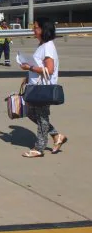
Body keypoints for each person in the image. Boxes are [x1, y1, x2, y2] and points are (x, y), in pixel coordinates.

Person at [19, 18, 68, 158]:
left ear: (43, 30)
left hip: (43, 88)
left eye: (35, 28)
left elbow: (50, 69)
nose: (33, 30)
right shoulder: (43, 45)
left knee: (41, 116)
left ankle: (39, 148)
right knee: (31, 113)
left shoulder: (48, 46)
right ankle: (57, 135)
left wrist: (30, 67)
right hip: (36, 86)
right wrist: (29, 76)